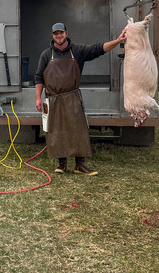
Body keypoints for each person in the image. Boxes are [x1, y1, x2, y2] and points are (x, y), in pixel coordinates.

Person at [34, 22, 126, 175]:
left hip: (72, 97)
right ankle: (61, 164)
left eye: (61, 33)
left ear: (66, 34)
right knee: (56, 130)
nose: (59, 36)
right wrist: (38, 98)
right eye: (56, 33)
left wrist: (118, 41)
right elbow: (38, 77)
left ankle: (80, 165)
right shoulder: (46, 54)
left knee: (78, 129)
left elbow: (98, 49)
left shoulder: (78, 51)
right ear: (52, 36)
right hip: (53, 99)